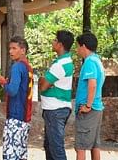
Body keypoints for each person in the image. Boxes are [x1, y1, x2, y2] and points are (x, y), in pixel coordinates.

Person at [0, 36, 34, 160]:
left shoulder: (17, 67)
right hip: (25, 116)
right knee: (21, 153)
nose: (10, 51)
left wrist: (3, 82)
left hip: (15, 117)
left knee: (11, 154)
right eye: (9, 48)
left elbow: (12, 90)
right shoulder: (28, 67)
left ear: (23, 50)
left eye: (14, 48)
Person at [39, 30, 75, 160]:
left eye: (55, 40)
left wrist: (42, 79)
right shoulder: (64, 62)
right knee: (50, 146)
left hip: (55, 109)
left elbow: (43, 86)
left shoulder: (60, 65)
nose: (52, 42)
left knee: (56, 147)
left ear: (60, 44)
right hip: (56, 109)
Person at [74, 32, 105, 160]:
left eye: (78, 46)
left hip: (89, 110)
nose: (77, 49)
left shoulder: (89, 62)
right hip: (97, 108)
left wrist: (87, 105)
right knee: (94, 145)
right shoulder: (97, 60)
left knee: (80, 147)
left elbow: (92, 84)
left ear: (84, 46)